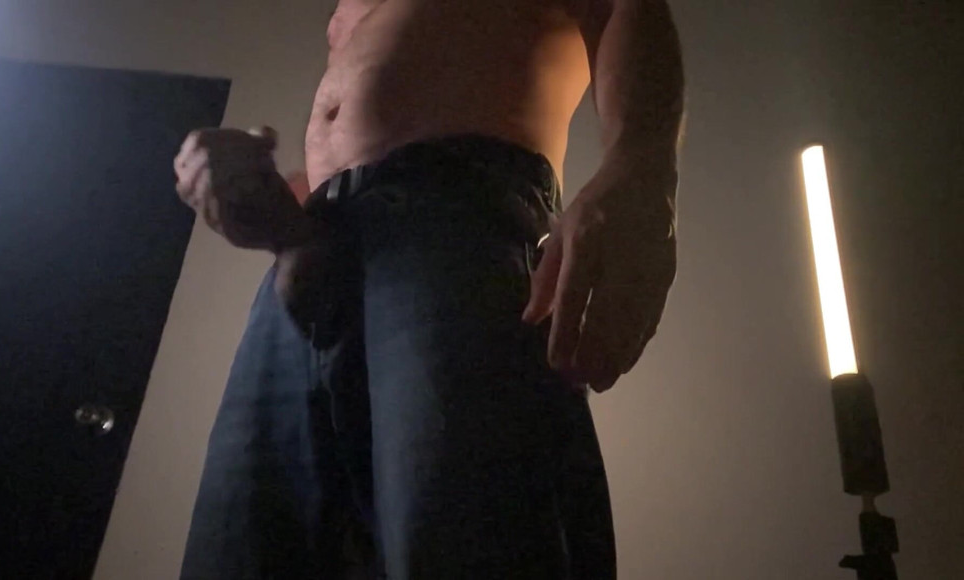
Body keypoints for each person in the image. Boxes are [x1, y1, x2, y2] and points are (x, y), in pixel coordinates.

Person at [174, 0, 684, 577]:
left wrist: (642, 169)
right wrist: (260, 197)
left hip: (457, 220)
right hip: (303, 253)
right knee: (240, 554)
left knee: (469, 542)